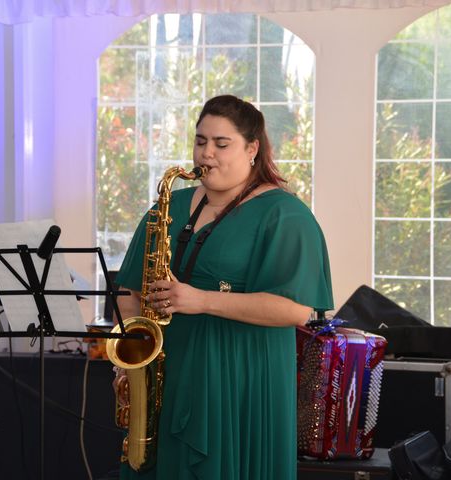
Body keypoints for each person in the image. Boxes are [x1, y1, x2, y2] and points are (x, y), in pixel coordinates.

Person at [114, 95, 334, 479]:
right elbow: (129, 289)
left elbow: (295, 310)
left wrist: (201, 301)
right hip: (165, 373)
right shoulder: (167, 207)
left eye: (221, 144)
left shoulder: (285, 215)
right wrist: (133, 363)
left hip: (240, 379)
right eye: (201, 141)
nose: (206, 154)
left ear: (252, 149)